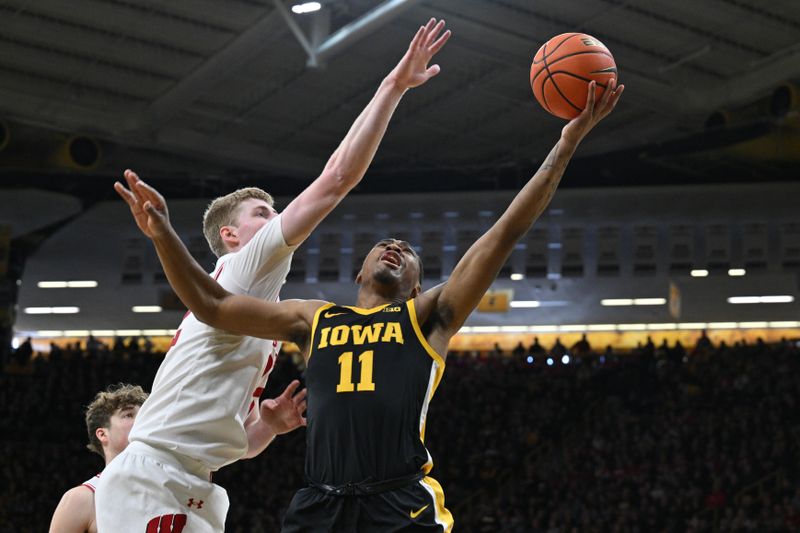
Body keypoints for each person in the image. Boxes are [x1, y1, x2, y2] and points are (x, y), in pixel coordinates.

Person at [124, 76, 622, 531]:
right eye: (387, 246)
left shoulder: (428, 316)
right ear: (359, 272)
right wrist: (164, 234)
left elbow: (507, 230)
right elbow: (212, 304)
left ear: (415, 286)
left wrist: (565, 144)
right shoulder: (313, 318)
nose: (397, 248)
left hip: (398, 503)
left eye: (409, 255)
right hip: (319, 505)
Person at [99, 18, 451, 533]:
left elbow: (228, 438)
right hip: (156, 474)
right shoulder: (244, 268)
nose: (276, 218)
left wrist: (267, 425)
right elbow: (337, 179)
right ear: (231, 237)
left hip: (194, 480)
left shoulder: (259, 306)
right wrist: (392, 86)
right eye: (262, 213)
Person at [49, 384, 148, 533]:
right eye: (128, 415)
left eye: (144, 415)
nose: (141, 420)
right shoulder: (82, 499)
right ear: (102, 434)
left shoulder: (169, 487)